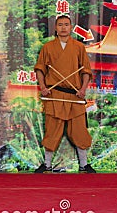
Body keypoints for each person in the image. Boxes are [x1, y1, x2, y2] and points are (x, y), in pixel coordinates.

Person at [34, 15, 96, 174]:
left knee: (79, 131)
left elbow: (86, 71)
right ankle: (47, 164)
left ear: (71, 27)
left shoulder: (79, 47)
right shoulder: (47, 47)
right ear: (56, 27)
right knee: (52, 130)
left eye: (66, 24)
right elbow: (40, 69)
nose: (63, 27)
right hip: (54, 94)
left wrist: (83, 89)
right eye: (60, 24)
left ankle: (84, 165)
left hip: (75, 95)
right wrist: (43, 87)